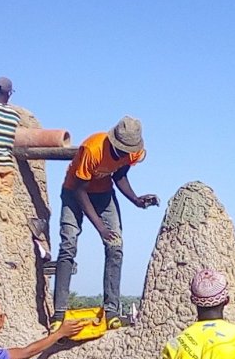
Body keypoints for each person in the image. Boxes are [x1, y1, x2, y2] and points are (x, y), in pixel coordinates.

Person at [50, 116, 159, 331]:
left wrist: (136, 200)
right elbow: (80, 190)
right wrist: (100, 227)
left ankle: (111, 310)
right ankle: (59, 313)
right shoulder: (92, 149)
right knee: (68, 245)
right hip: (75, 193)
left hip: (104, 193)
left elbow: (119, 175)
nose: (126, 154)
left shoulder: (133, 153)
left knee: (115, 247)